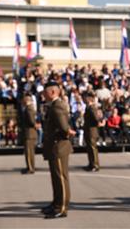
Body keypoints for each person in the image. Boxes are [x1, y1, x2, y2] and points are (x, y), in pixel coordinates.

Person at [41, 81, 76, 219]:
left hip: (59, 146)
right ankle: (56, 203)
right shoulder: (53, 106)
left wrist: (68, 132)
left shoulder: (57, 106)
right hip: (55, 146)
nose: (43, 95)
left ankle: (62, 207)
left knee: (61, 178)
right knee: (56, 178)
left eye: (45, 92)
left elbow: (63, 127)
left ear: (53, 92)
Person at [83, 91, 101, 172]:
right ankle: (91, 163)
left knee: (93, 147)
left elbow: (96, 118)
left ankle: (95, 165)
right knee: (89, 147)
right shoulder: (88, 107)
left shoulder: (92, 107)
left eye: (84, 97)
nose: (83, 99)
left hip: (92, 130)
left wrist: (98, 122)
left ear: (88, 98)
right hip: (88, 129)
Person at [21, 93, 37, 174]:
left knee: (29, 152)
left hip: (29, 133)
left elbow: (31, 120)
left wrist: (34, 125)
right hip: (29, 133)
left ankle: (30, 168)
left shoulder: (29, 108)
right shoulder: (28, 108)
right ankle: (29, 167)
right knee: (29, 151)